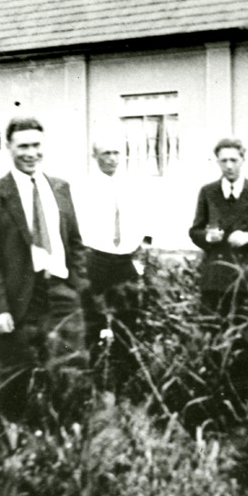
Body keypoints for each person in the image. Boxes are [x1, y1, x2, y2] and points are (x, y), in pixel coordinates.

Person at [0, 116, 87, 418]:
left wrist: (76, 285)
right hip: (18, 296)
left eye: (36, 145)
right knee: (13, 375)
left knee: (70, 370)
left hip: (61, 291)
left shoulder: (61, 187)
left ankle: (68, 441)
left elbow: (74, 242)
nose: (31, 153)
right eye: (23, 146)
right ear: (8, 147)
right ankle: (14, 442)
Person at [75, 131, 150, 384]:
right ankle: (93, 377)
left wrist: (140, 253)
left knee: (127, 319)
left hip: (125, 260)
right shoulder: (82, 186)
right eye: (106, 153)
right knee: (92, 319)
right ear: (94, 155)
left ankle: (124, 379)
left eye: (116, 153)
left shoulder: (133, 184)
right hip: (95, 259)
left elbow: (144, 219)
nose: (112, 159)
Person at [188, 137, 248, 314]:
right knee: (213, 330)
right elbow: (195, 231)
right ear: (217, 162)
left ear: (242, 161)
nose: (229, 166)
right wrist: (207, 237)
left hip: (246, 274)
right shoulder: (208, 192)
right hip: (215, 275)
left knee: (245, 330)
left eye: (234, 160)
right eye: (224, 161)